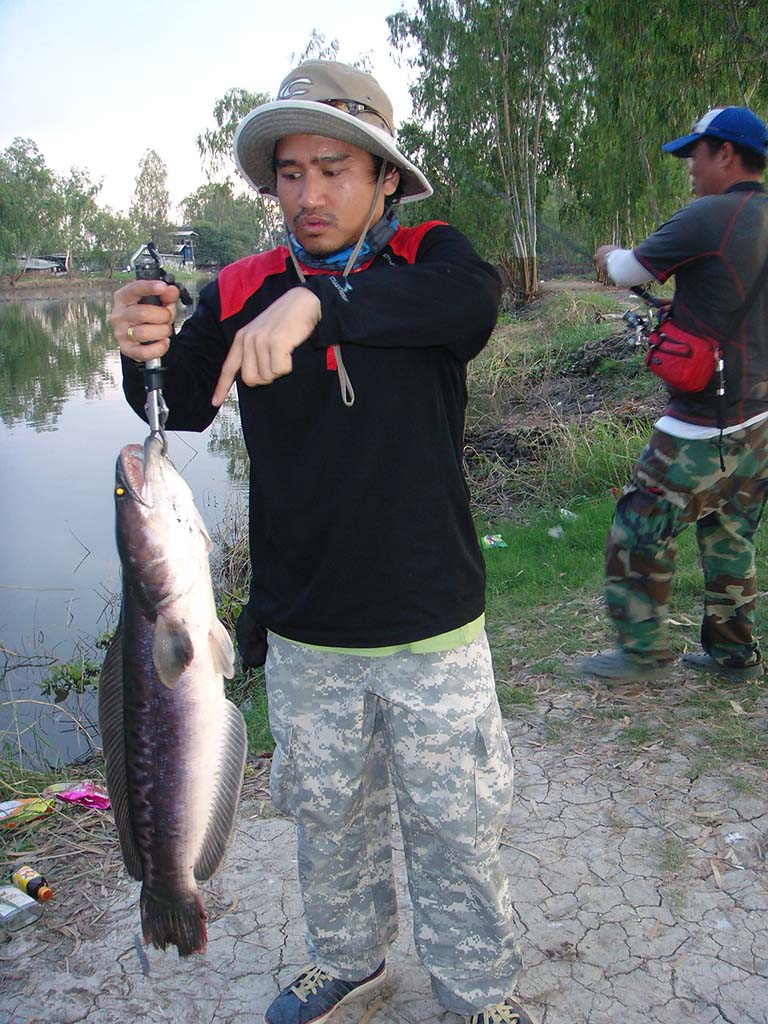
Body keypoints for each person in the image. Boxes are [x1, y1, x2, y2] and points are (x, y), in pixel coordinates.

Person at [110, 60, 538, 1024]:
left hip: (429, 617)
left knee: (456, 827)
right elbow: (173, 403)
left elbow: (469, 308)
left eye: (335, 169)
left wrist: (323, 306)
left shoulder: (431, 258)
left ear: (385, 177)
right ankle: (350, 962)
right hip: (304, 628)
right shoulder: (241, 288)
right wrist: (140, 345)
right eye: (291, 173)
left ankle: (481, 995)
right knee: (327, 823)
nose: (309, 194)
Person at [581, 106, 768, 683]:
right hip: (760, 415)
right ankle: (734, 656)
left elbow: (629, 270)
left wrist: (607, 256)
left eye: (696, 153)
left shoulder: (710, 215)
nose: (689, 166)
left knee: (639, 524)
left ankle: (642, 655)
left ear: (726, 154)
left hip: (704, 420)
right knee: (730, 528)